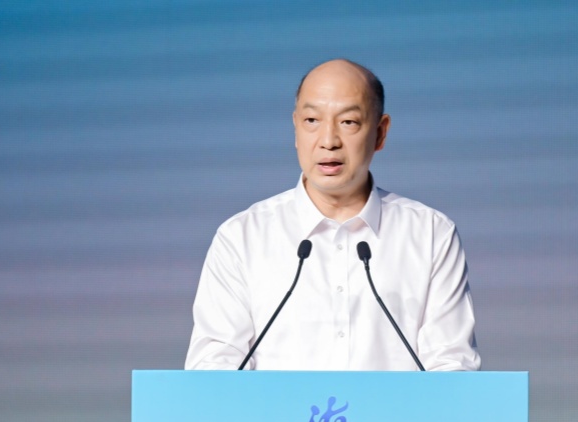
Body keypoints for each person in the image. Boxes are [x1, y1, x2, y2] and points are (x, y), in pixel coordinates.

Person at [185, 59, 480, 371]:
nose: (328, 141)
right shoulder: (241, 238)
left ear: (380, 133)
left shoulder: (430, 234)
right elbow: (213, 370)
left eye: (348, 122)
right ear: (296, 128)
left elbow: (452, 368)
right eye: (312, 120)